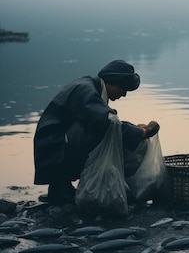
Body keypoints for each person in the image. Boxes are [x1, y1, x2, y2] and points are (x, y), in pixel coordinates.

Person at [34, 59, 160, 205]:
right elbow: (107, 123)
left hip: (54, 144)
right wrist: (141, 133)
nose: (124, 94)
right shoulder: (85, 90)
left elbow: (105, 119)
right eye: (123, 89)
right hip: (54, 146)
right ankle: (60, 189)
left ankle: (60, 188)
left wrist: (134, 129)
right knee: (101, 134)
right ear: (113, 82)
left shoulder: (89, 86)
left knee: (104, 132)